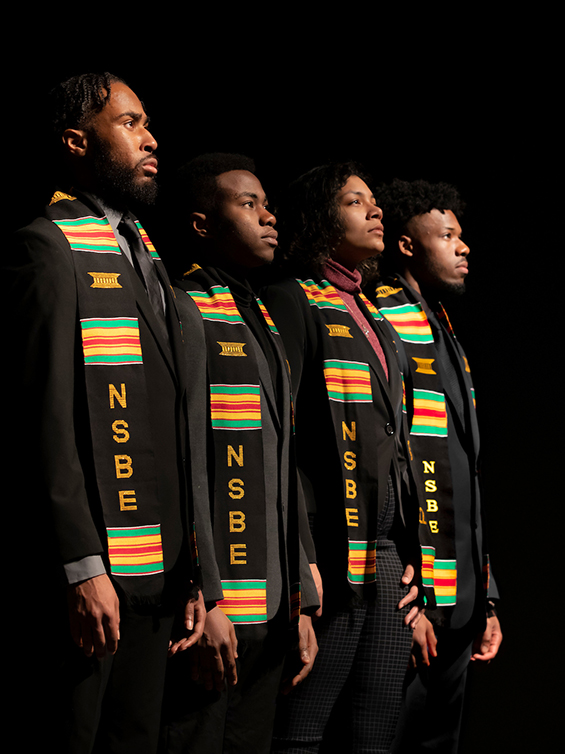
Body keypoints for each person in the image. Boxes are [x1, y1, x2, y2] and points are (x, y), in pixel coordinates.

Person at [4, 72, 213, 753]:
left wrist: (191, 569)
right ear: (75, 141)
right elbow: (45, 420)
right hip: (92, 579)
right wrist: (80, 565)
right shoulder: (50, 247)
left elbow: (178, 427)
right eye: (130, 124)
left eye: (148, 123)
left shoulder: (148, 258)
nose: (151, 139)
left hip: (157, 574)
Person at [158, 153, 321, 752]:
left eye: (267, 204)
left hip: (276, 601)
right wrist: (210, 595)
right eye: (247, 204)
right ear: (202, 224)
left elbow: (283, 460)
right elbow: (186, 461)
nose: (267, 215)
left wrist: (302, 593)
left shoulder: (262, 318)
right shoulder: (185, 307)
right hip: (221, 605)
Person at [260, 162, 423, 753]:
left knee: (374, 737)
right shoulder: (291, 299)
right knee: (300, 735)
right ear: (320, 221)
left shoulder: (377, 315)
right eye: (356, 202)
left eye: (374, 201)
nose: (375, 210)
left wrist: (416, 556)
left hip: (384, 557)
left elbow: (398, 445)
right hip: (330, 552)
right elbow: (278, 440)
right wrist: (302, 565)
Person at [370, 179, 502, 754]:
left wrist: (487, 595)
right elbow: (386, 464)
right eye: (447, 235)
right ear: (405, 245)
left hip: (462, 597)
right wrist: (407, 568)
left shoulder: (442, 328)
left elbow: (462, 475)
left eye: (462, 234)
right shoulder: (383, 322)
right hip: (414, 599)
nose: (463, 245)